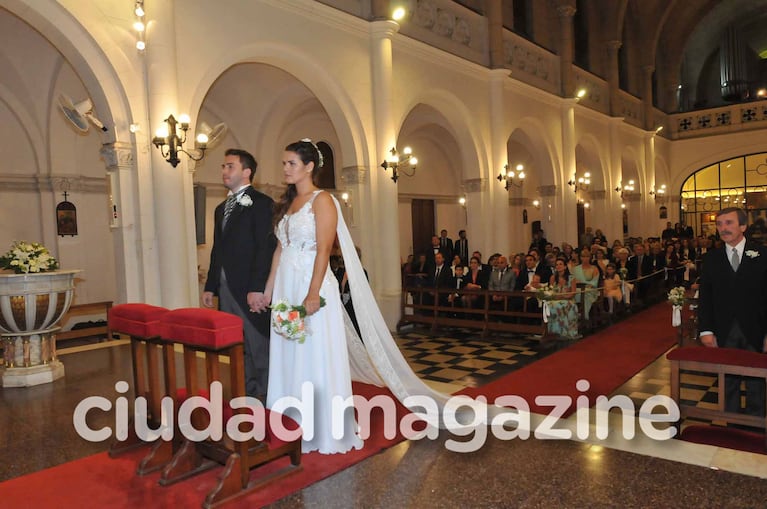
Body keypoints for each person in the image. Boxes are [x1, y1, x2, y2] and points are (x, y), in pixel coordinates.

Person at [266, 138, 487, 453]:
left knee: (314, 353)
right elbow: (279, 250)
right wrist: (269, 291)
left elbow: (325, 250)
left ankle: (322, 425)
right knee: (289, 351)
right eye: (284, 163)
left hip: (310, 285)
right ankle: (289, 420)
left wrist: (313, 292)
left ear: (309, 166)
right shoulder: (287, 204)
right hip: (287, 286)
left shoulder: (323, 200)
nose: (285, 168)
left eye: (291, 163)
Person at [203, 148, 275, 400]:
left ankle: (269, 398)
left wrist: (258, 287)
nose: (224, 171)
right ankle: (247, 395)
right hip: (226, 288)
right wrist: (210, 285)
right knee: (237, 347)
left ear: (247, 172)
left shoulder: (263, 204)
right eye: (223, 166)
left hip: (249, 288)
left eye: (230, 166)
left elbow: (266, 249)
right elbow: (217, 250)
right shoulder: (221, 208)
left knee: (259, 346)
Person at [698, 207, 767, 416]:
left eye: (729, 223)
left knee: (756, 382)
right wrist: (706, 330)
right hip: (723, 329)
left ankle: (755, 429)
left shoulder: (763, 255)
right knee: (727, 381)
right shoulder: (711, 258)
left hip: (756, 330)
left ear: (743, 226)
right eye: (719, 224)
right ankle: (732, 426)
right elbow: (706, 297)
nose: (723, 228)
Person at [545, 258, 580, 340]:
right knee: (550, 305)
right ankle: (553, 331)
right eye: (556, 264)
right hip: (556, 299)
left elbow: (573, 292)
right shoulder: (553, 278)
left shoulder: (571, 278)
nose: (558, 266)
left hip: (568, 300)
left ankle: (565, 332)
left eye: (560, 264)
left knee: (562, 305)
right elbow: (551, 291)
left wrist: (564, 296)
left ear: (565, 266)